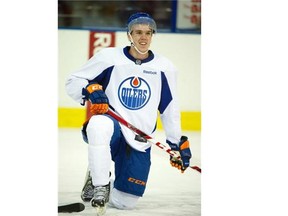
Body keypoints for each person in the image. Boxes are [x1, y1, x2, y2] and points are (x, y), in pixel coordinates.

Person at [65, 12, 192, 212]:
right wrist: (89, 90)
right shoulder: (109, 58)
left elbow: (170, 108)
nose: (144, 37)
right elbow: (74, 81)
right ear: (129, 35)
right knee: (98, 124)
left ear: (153, 35)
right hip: (112, 127)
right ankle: (100, 185)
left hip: (140, 139)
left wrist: (176, 143)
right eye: (138, 32)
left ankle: (99, 174)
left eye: (148, 33)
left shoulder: (164, 68)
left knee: (125, 202)